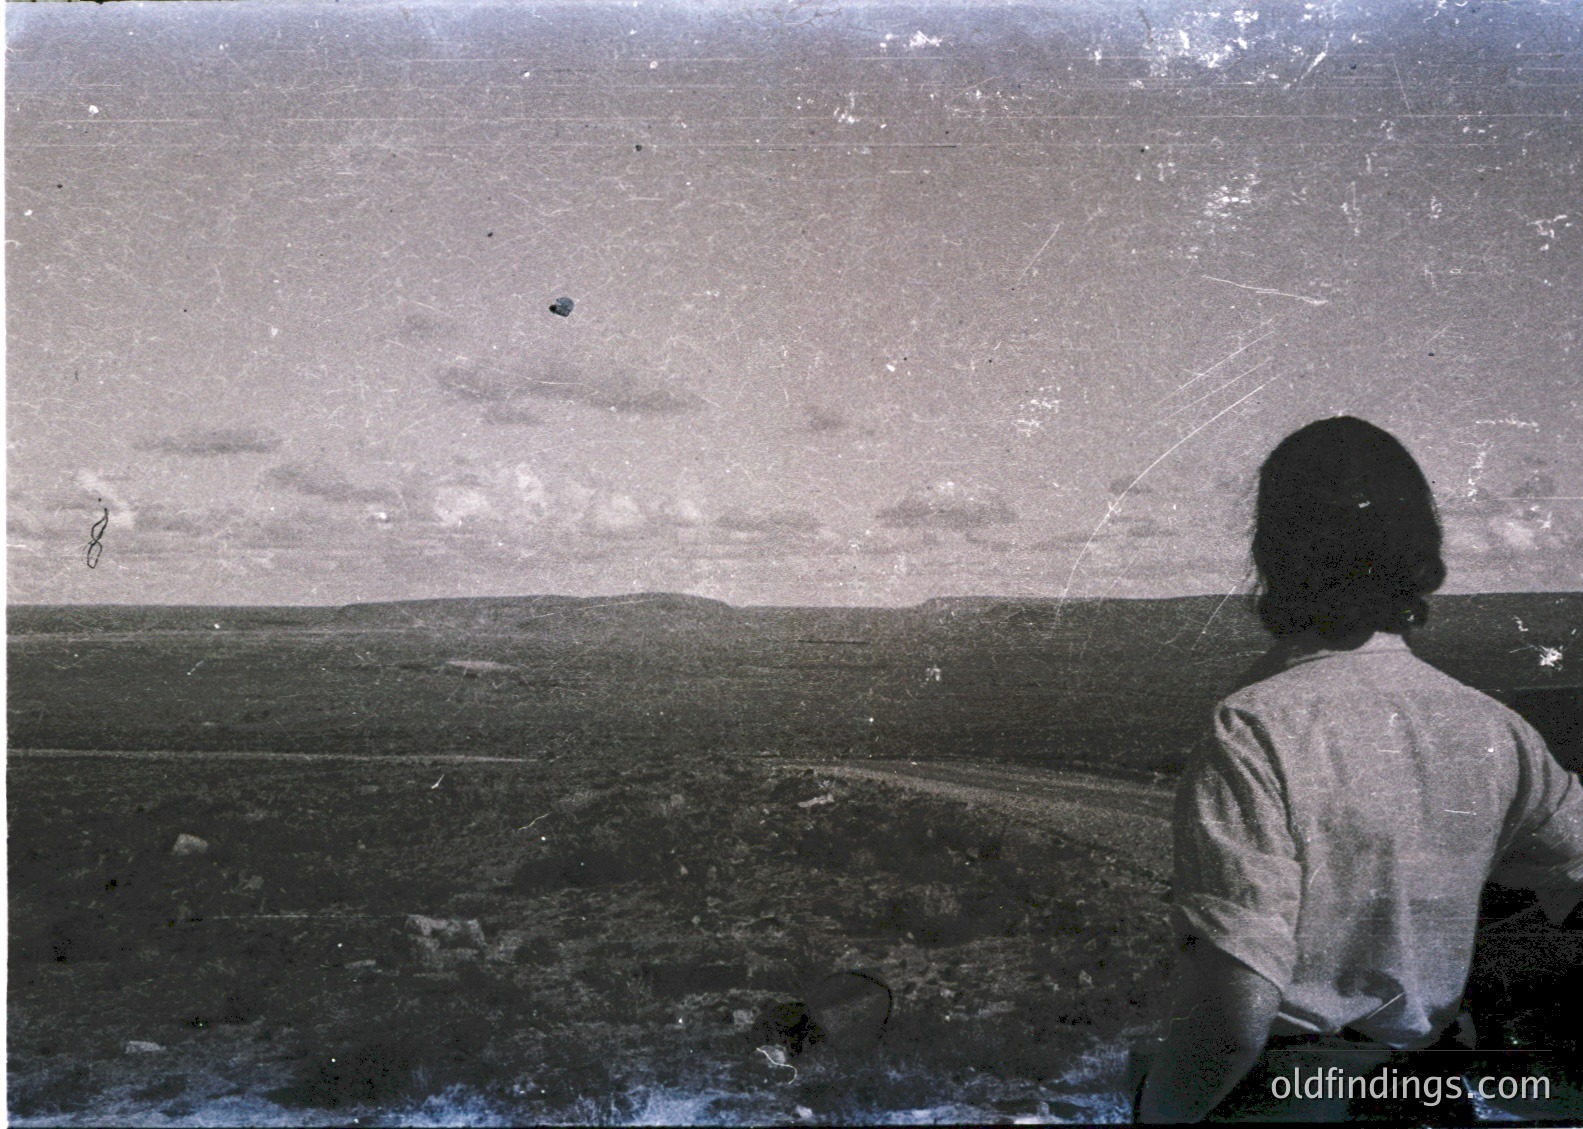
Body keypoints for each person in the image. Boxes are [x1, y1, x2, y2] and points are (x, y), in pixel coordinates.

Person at [1135, 416, 1583, 1123]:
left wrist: (1154, 1116)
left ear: (1273, 552)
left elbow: (1232, 1016)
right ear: (1419, 549)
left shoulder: (1251, 727)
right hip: (1426, 1096)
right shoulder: (1495, 727)